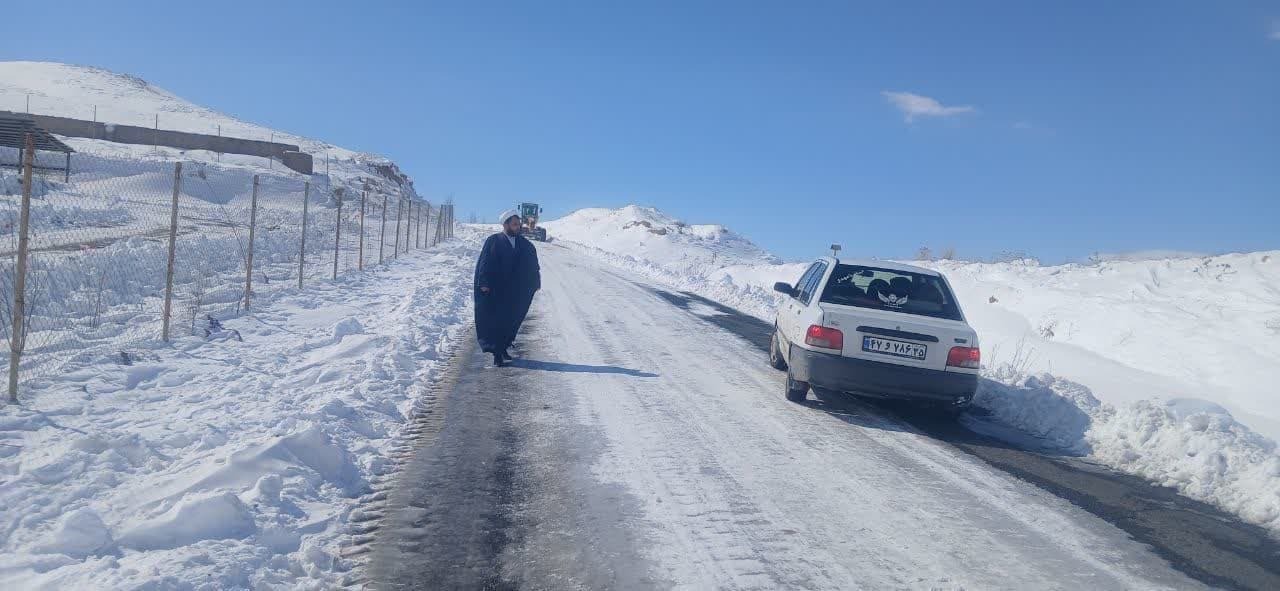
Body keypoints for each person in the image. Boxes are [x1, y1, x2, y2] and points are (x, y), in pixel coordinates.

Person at [474, 210, 541, 366]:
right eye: (514, 224)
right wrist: (484, 282)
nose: (518, 227)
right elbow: (485, 262)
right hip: (497, 290)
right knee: (497, 321)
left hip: (515, 291)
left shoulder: (524, 244)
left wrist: (535, 281)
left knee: (512, 320)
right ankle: (497, 353)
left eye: (518, 224)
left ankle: (504, 347)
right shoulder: (494, 241)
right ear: (506, 225)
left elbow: (533, 265)